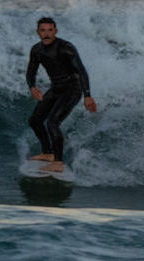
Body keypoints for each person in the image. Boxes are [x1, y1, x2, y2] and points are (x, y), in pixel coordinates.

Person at [26, 17, 96, 173]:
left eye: (50, 30)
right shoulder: (36, 50)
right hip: (56, 88)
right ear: (38, 32)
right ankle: (47, 153)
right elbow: (31, 71)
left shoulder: (66, 47)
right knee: (35, 120)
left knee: (52, 122)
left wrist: (87, 96)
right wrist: (32, 87)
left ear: (55, 31)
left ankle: (58, 162)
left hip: (73, 88)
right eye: (43, 30)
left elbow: (81, 71)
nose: (46, 34)